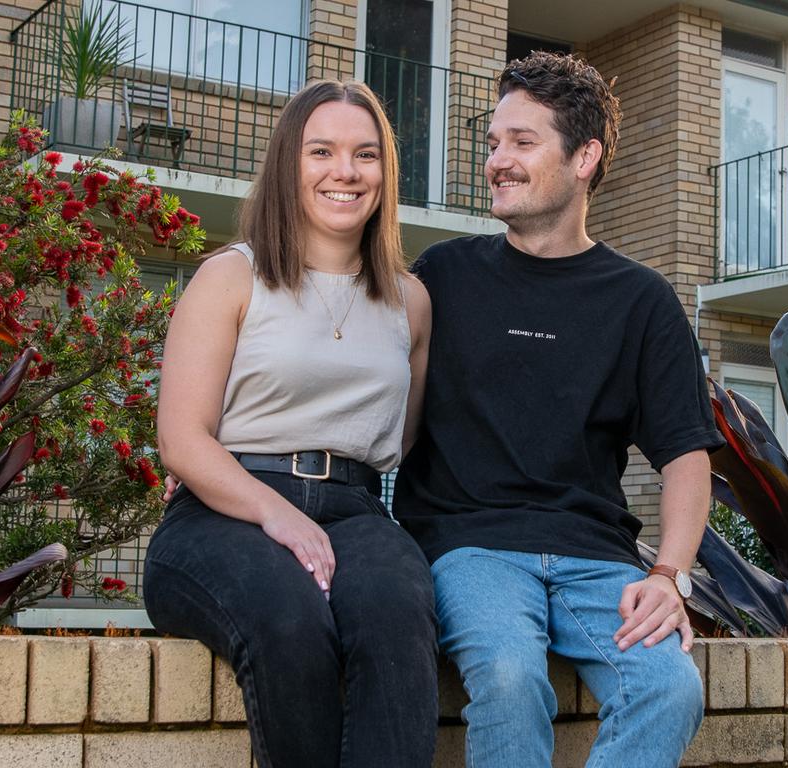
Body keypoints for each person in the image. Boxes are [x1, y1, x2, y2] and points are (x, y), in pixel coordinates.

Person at [393, 51, 724, 768]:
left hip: (596, 560)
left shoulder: (641, 301)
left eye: (521, 142)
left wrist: (668, 575)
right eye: (492, 143)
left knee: (669, 689)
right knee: (511, 679)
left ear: (584, 158)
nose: (496, 161)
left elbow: (685, 455)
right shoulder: (442, 276)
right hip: (468, 546)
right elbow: (351, 375)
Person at [143, 79, 437, 768]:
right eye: (322, 151)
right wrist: (275, 512)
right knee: (291, 621)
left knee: (399, 615)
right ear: (287, 163)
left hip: (356, 510)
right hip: (225, 511)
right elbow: (181, 438)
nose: (345, 171)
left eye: (365, 155)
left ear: (384, 173)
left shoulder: (411, 303)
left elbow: (406, 438)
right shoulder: (231, 277)